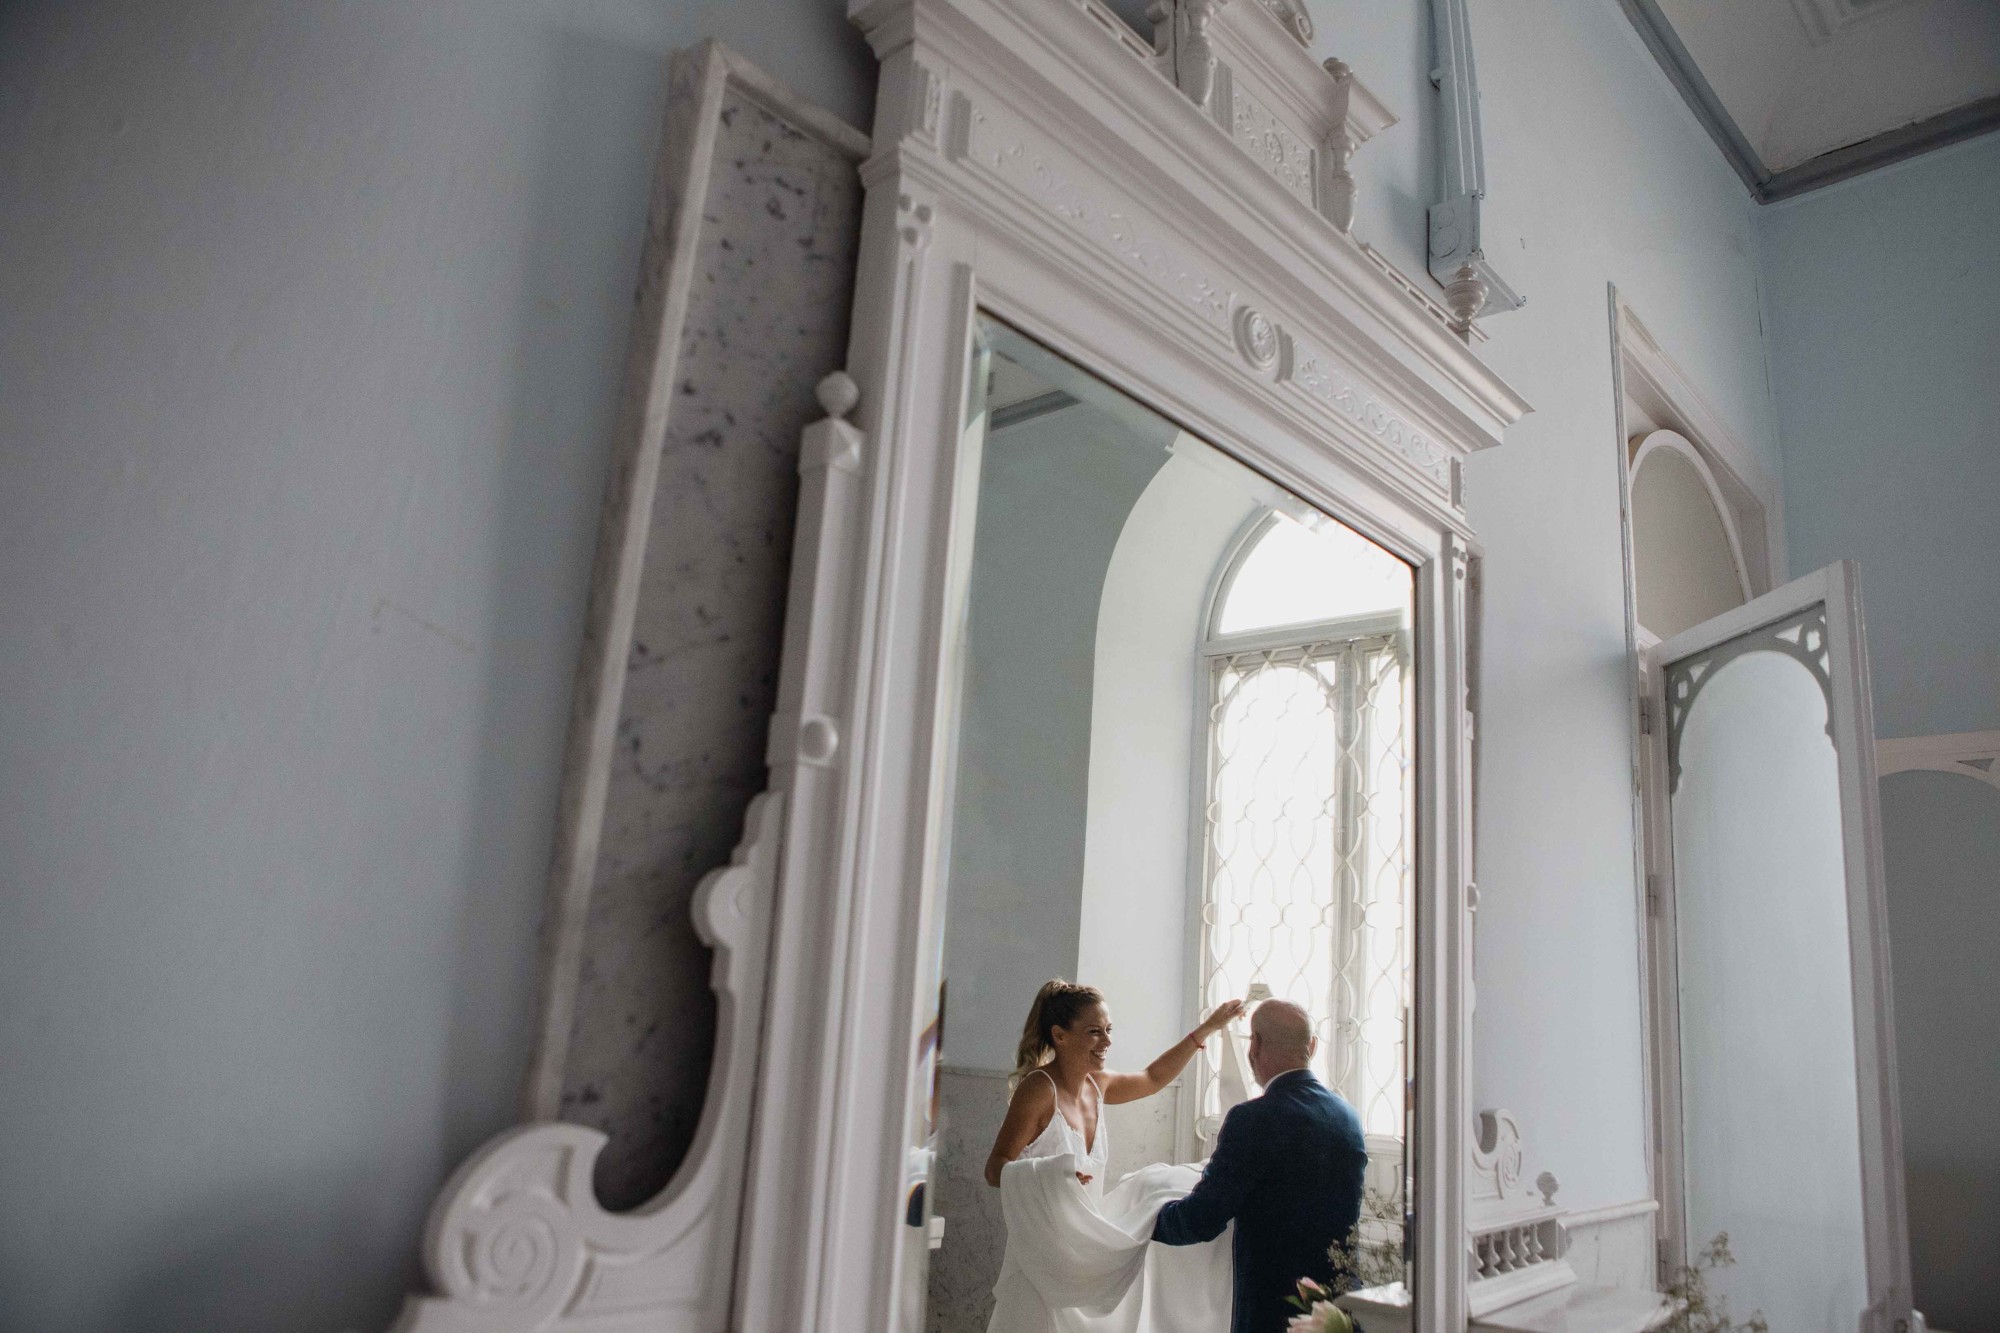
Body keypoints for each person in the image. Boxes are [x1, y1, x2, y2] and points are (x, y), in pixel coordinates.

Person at [982, 980, 1243, 1333]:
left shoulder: (1097, 1085)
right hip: (1042, 1259)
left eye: (1108, 1030)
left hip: (1086, 1254)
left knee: (1162, 1188)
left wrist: (1208, 1028)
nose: (1107, 1042)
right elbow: (995, 1168)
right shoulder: (1038, 1090)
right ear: (1059, 1035)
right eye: (1094, 1032)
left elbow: (1152, 1078)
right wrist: (1051, 1173)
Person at [1150, 1000, 1367, 1333]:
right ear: (1312, 1046)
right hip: (1340, 1307)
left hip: (1274, 1312)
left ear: (1254, 1046)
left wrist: (1147, 1220)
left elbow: (1202, 1219)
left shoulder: (1253, 1119)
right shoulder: (1347, 1116)